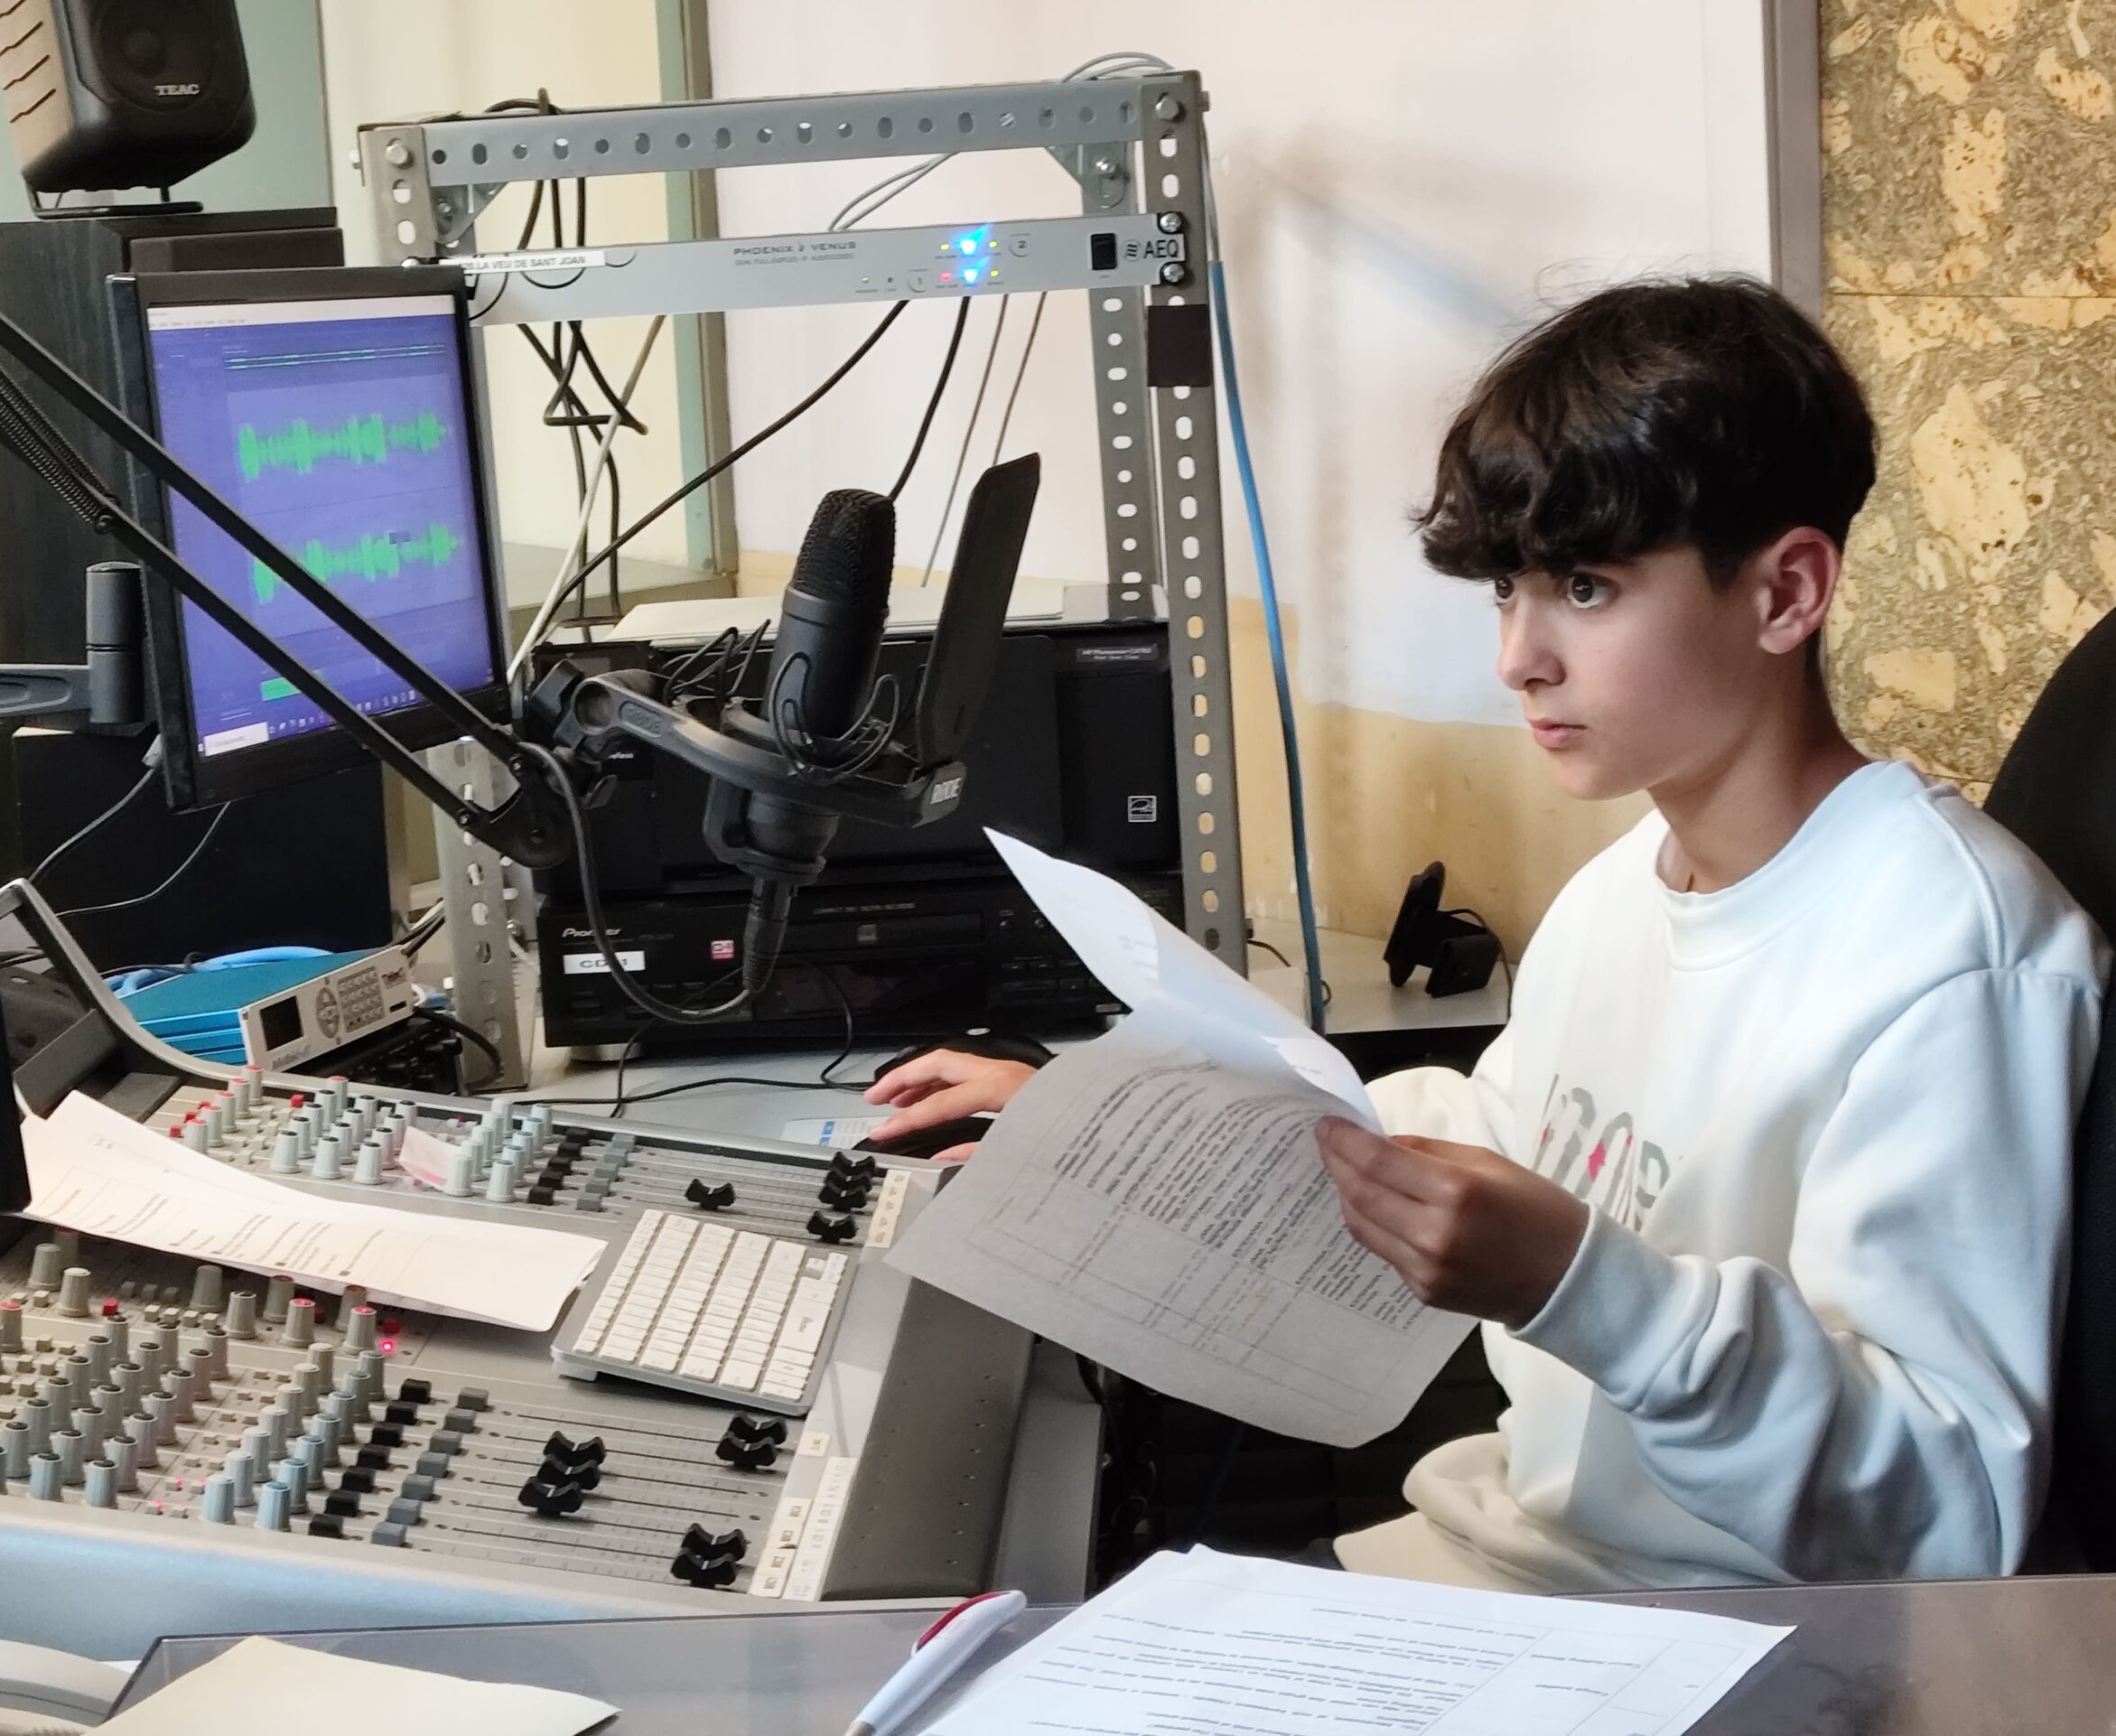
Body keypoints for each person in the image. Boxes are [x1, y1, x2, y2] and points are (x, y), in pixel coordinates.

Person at [863, 275, 2109, 1593]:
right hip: (1514, 1557)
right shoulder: (1624, 885)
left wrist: (1581, 1284)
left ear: (1786, 593)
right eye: (1508, 589)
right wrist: (1106, 1132)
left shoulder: (1956, 956)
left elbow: (1950, 1516)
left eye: (1586, 586)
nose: (1519, 655)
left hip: (1728, 1632)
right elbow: (1508, 1148)